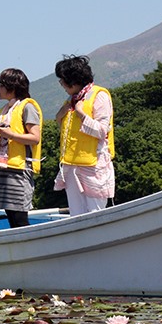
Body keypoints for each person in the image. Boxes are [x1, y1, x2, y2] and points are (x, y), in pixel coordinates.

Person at [0, 68, 42, 228]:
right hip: (4, 167)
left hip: (19, 169)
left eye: (1, 85)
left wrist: (11, 135)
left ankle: (27, 243)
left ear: (12, 87)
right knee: (11, 216)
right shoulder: (5, 110)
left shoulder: (27, 107)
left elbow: (35, 137)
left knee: (19, 217)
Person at [53, 55, 115, 215]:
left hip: (94, 165)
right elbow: (67, 129)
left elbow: (102, 131)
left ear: (73, 81)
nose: (61, 84)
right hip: (72, 164)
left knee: (95, 212)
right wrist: (60, 115)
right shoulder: (72, 99)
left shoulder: (99, 96)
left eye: (62, 81)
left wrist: (80, 113)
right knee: (76, 214)